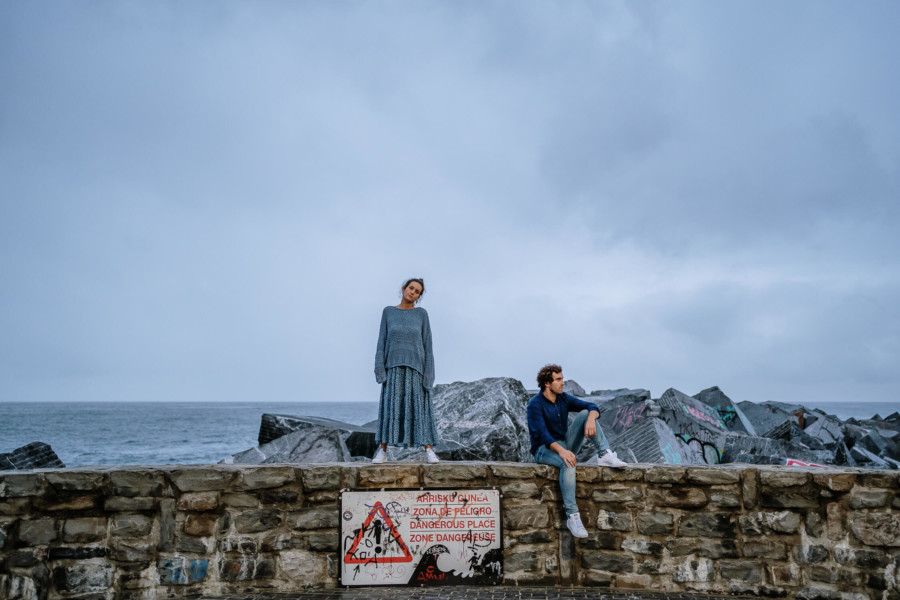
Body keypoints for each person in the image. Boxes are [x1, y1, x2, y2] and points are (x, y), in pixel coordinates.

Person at [526, 364, 627, 538]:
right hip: (544, 449)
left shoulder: (563, 399)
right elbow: (541, 434)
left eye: (562, 379)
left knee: (583, 414)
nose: (562, 383)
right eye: (558, 379)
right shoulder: (535, 405)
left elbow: (592, 406)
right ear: (547, 383)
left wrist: (590, 419)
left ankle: (604, 454)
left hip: (564, 444)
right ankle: (572, 517)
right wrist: (562, 452)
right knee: (568, 462)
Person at [372, 278, 440, 464]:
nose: (413, 292)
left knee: (420, 410)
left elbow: (428, 345)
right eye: (411, 288)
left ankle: (428, 450)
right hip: (393, 369)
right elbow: (381, 342)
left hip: (416, 370)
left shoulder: (421, 314)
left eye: (417, 291)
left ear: (418, 296)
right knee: (390, 410)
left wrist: (428, 373)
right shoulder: (388, 312)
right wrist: (380, 368)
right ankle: (382, 451)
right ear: (403, 288)